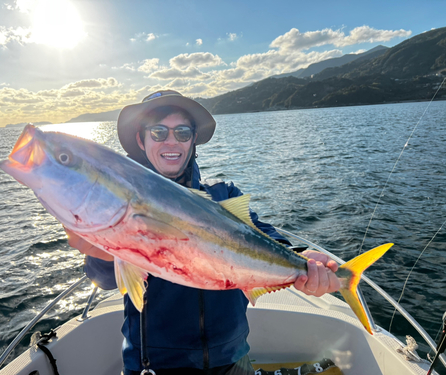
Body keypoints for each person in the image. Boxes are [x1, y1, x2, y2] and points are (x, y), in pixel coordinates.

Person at [66, 90, 340, 375]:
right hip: (157, 367)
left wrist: (300, 260)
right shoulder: (119, 201)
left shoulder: (222, 194)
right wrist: (108, 248)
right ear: (141, 139)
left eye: (182, 132)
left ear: (193, 140)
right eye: (159, 132)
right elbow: (103, 278)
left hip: (232, 358)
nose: (171, 141)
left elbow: (261, 233)